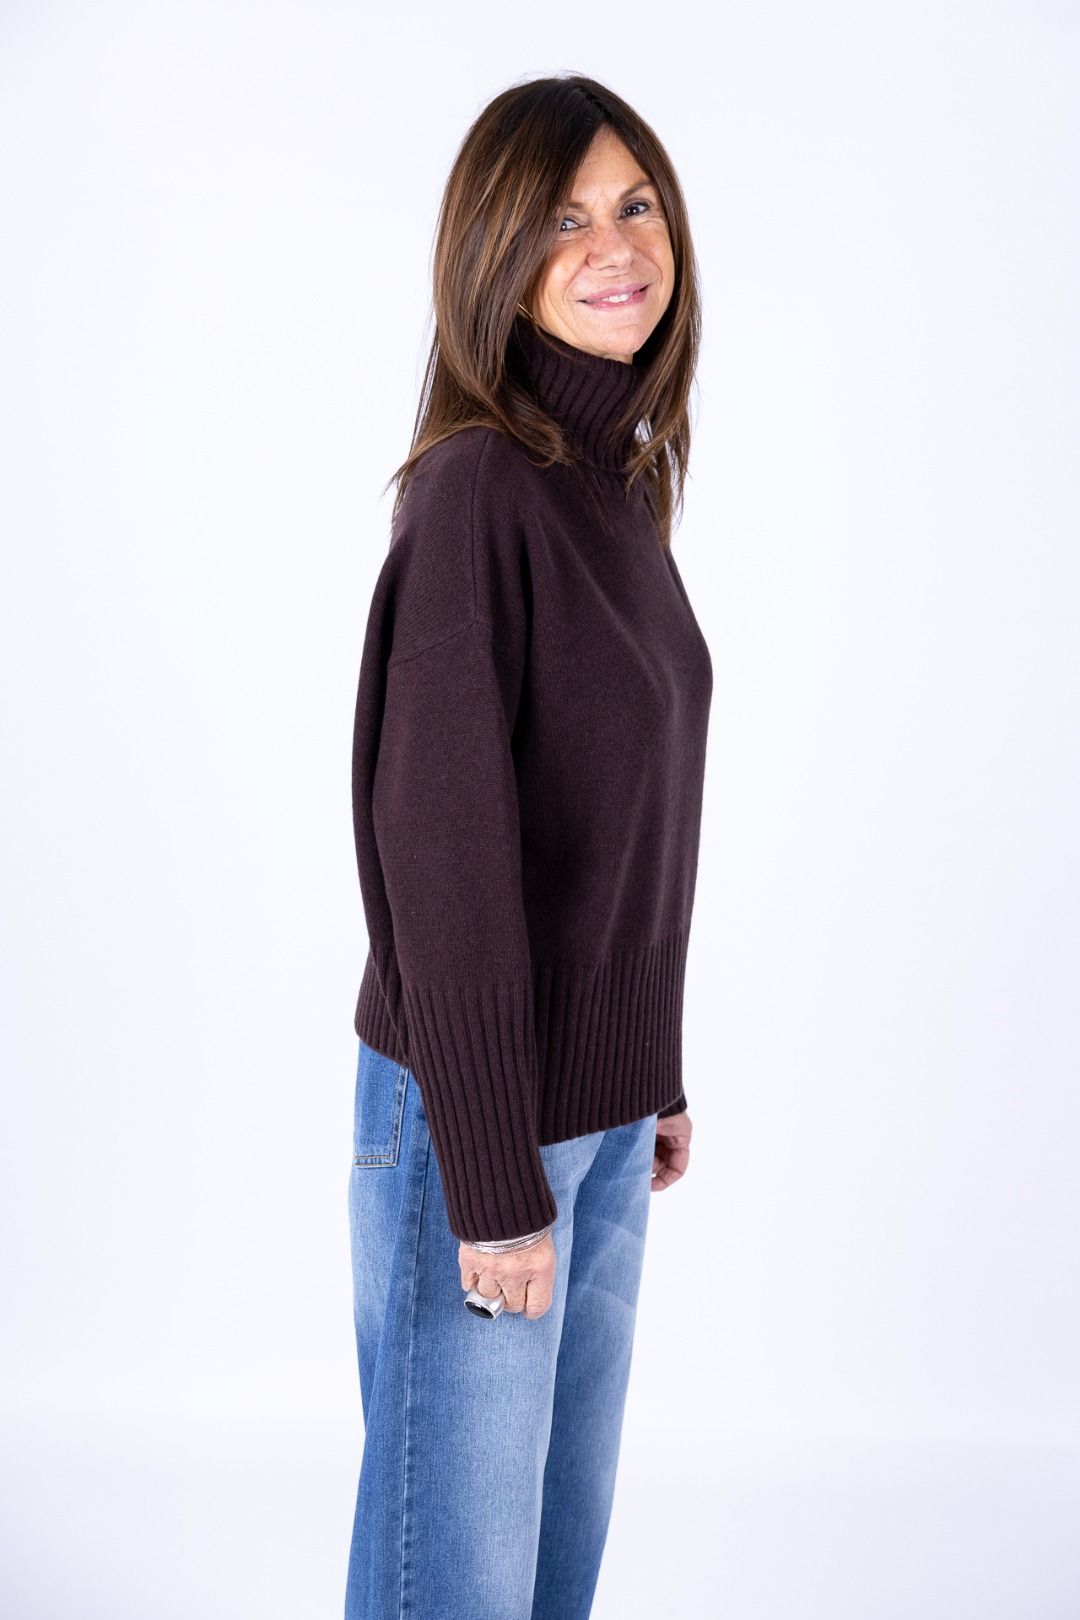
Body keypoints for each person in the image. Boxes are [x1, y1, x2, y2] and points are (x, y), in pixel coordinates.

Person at [345, 72, 712, 1620]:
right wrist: (494, 1176)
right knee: (459, 1585)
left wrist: (650, 1070)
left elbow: (617, 817)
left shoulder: (611, 492)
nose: (616, 244)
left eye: (637, 205)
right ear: (494, 252)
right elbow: (441, 854)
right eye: (563, 218)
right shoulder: (479, 490)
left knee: (548, 1573)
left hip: (597, 1118)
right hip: (481, 1120)